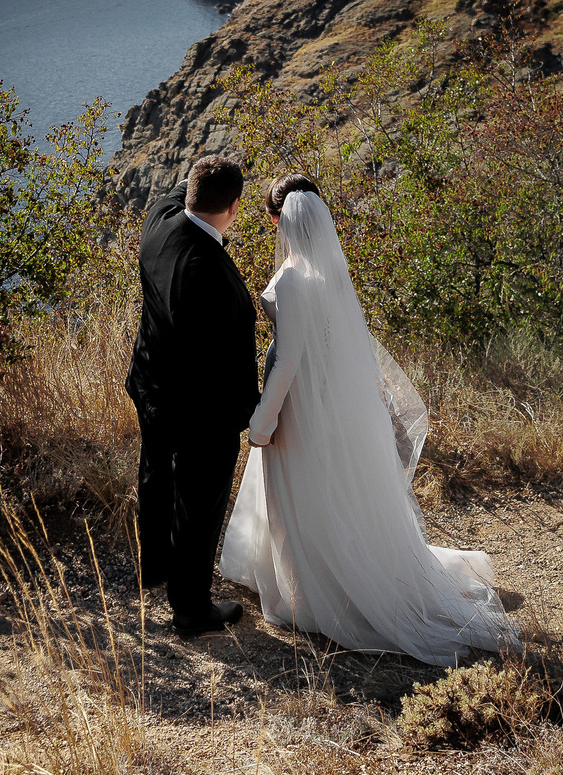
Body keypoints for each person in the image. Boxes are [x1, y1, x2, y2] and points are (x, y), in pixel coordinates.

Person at [219, 184, 518, 666]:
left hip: (299, 408)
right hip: (334, 403)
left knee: (302, 492)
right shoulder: (332, 273)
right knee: (333, 492)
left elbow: (289, 360)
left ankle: (314, 591)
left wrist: (261, 422)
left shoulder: (293, 280)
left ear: (279, 221)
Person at [124, 154, 258, 637]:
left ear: (191, 193)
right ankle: (191, 610)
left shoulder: (159, 226)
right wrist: (248, 414)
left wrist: (201, 179)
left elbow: (174, 194)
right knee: (199, 503)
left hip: (150, 385)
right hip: (198, 410)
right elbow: (226, 362)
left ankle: (156, 569)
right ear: (235, 207)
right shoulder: (210, 273)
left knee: (157, 476)